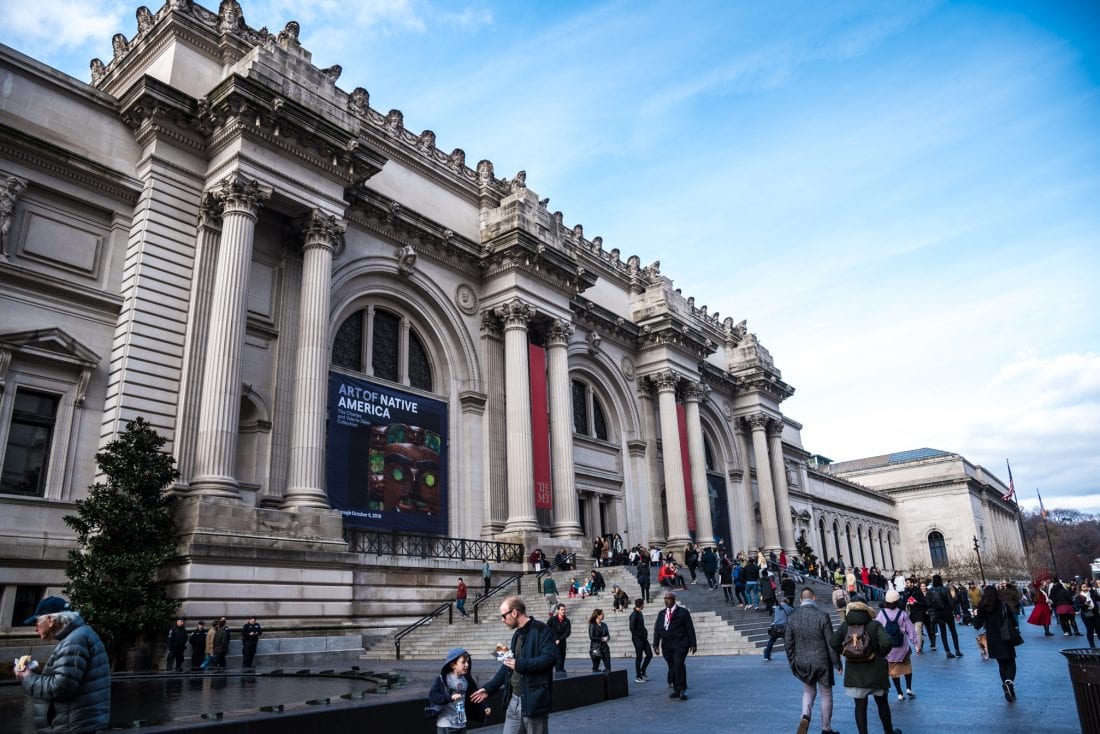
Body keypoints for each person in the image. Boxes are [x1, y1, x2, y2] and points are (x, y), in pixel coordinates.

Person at [14, 596, 110, 734]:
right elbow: (69, 679)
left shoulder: (74, 641)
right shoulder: (80, 635)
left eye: (36, 622)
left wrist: (26, 677)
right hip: (78, 723)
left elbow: (61, 688)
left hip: (71, 726)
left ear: (50, 620)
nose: (35, 628)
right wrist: (35, 672)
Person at [471, 596, 558, 733]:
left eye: (503, 616)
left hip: (534, 702)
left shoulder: (541, 629)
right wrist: (489, 689)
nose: (502, 620)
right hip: (514, 701)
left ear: (514, 613)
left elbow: (550, 658)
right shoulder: (516, 635)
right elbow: (508, 665)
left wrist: (521, 664)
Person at [829, 599, 901, 734]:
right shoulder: (874, 625)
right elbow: (886, 642)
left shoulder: (845, 626)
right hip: (876, 671)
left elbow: (833, 642)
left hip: (855, 674)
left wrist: (846, 653)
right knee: (882, 704)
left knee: (860, 707)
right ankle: (889, 731)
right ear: (866, 610)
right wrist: (880, 653)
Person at [784, 588, 840, 734]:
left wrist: (792, 662)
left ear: (800, 600)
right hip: (822, 661)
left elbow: (788, 644)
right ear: (814, 598)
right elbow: (831, 643)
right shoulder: (823, 616)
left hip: (802, 661)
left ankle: (805, 716)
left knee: (808, 691)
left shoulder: (792, 618)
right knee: (826, 694)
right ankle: (826, 728)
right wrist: (837, 662)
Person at [972, 584, 1021, 702]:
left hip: (992, 639)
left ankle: (1007, 686)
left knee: (1001, 665)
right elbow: (1014, 621)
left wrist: (976, 615)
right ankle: (1009, 682)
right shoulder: (1003, 605)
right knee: (1011, 663)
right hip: (1006, 637)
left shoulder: (983, 608)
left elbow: (977, 625)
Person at [428, 647, 490, 734]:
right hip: (446, 724)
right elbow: (433, 696)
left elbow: (476, 695)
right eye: (463, 662)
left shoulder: (467, 680)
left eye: (468, 662)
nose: (467, 665)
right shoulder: (444, 679)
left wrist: (484, 707)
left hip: (461, 724)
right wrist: (450, 697)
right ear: (453, 665)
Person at [652, 591, 696, 701]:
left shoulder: (683, 612)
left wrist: (693, 644)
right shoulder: (661, 613)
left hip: (680, 644)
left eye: (669, 598)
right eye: (665, 599)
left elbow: (690, 628)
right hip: (667, 645)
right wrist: (655, 644)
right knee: (672, 666)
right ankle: (676, 689)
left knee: (678, 664)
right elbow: (657, 629)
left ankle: (683, 689)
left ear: (674, 600)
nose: (666, 600)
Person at [876, 590, 918, 701]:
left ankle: (899, 693)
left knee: (893, 671)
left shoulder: (881, 614)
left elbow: (877, 629)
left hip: (889, 648)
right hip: (902, 646)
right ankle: (908, 688)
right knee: (907, 666)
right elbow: (911, 630)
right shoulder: (902, 613)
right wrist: (916, 643)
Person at [927, 574, 962, 658]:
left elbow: (928, 603)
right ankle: (957, 650)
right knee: (953, 631)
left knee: (943, 633)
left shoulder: (930, 591)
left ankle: (948, 651)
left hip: (938, 613)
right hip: (947, 612)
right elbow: (951, 602)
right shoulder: (945, 589)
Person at [629, 598, 653, 683]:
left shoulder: (640, 613)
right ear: (641, 605)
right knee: (639, 657)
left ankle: (642, 671)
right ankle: (638, 676)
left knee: (649, 654)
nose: (644, 605)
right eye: (643, 604)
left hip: (643, 638)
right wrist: (640, 635)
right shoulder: (634, 615)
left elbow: (641, 626)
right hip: (637, 639)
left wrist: (645, 632)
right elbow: (632, 628)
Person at [546, 604, 572, 674]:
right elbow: (547, 629)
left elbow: (568, 632)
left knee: (562, 659)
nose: (563, 611)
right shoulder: (552, 620)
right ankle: (559, 674)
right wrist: (554, 639)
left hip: (562, 643)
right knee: (558, 659)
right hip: (554, 643)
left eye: (564, 610)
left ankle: (561, 674)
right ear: (558, 611)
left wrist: (560, 639)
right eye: (562, 610)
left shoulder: (567, 621)